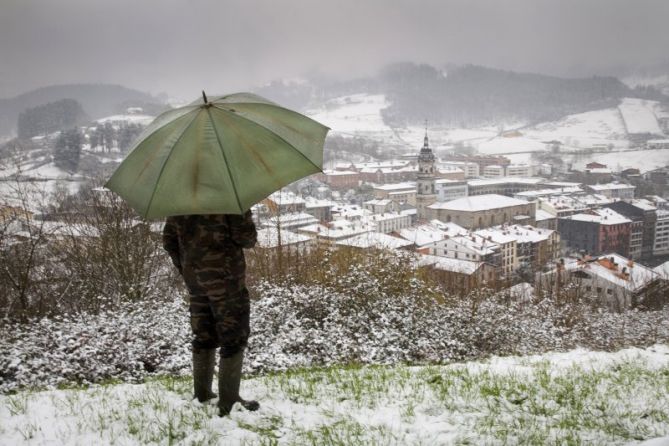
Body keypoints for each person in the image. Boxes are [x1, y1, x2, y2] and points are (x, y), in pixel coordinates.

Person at [162, 210, 259, 416]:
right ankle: (229, 400)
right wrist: (246, 214)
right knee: (234, 336)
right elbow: (247, 239)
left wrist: (187, 268)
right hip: (226, 280)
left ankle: (203, 394)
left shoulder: (180, 203)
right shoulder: (228, 202)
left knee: (203, 335)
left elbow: (169, 241)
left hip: (195, 282)